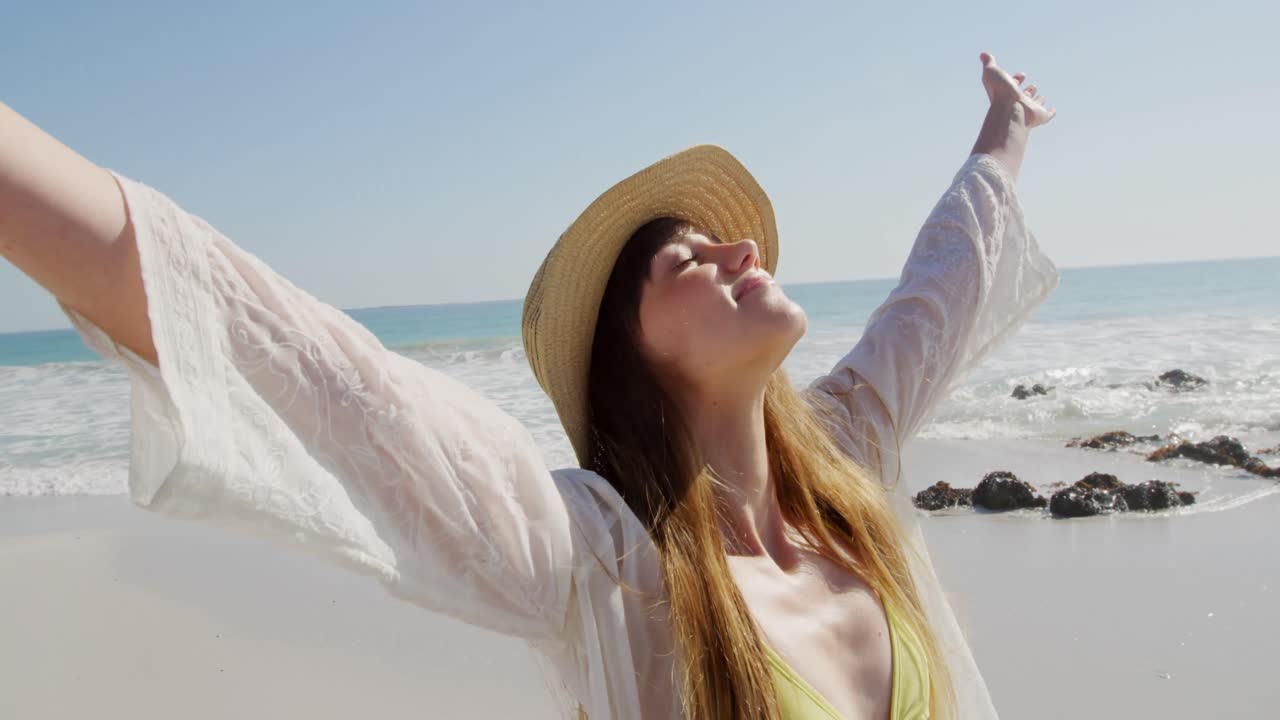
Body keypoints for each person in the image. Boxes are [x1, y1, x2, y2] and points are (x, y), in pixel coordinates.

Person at [0, 50, 1056, 719]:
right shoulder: (608, 562)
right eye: (686, 261)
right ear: (628, 356)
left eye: (722, 243)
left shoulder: (843, 469)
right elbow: (313, 374)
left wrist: (1003, 128)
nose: (739, 251)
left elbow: (938, 295)